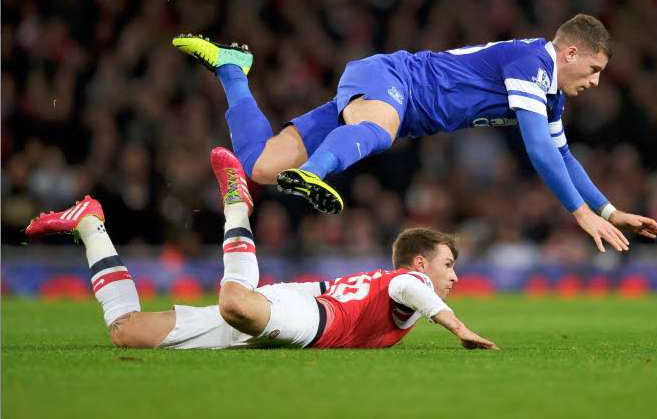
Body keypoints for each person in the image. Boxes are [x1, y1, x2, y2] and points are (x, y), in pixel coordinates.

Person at [172, 14, 657, 253]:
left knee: (259, 166)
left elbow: (565, 158)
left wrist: (609, 210)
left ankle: (232, 70)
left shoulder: (550, 94)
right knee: (379, 129)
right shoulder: (532, 62)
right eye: (595, 69)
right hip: (394, 80)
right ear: (571, 53)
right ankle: (316, 173)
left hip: (387, 101)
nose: (596, 82)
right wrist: (579, 214)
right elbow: (538, 150)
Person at [25, 147, 497, 350]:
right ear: (420, 263)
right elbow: (411, 289)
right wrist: (459, 328)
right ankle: (237, 202)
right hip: (309, 321)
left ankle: (89, 225)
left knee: (126, 332)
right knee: (233, 301)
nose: (455, 276)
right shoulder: (408, 280)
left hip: (288, 311)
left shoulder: (387, 287)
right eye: (448, 265)